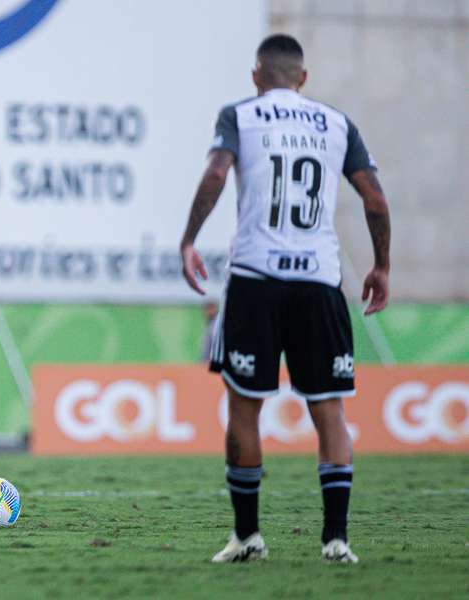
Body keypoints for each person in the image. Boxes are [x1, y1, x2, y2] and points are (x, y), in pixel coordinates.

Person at [179, 34, 390, 563]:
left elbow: (215, 173)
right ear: (303, 78)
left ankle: (248, 537)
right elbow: (375, 198)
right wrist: (382, 265)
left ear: (257, 77)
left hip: (256, 278)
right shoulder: (337, 124)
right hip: (319, 280)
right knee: (329, 410)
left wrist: (188, 239)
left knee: (245, 409)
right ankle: (336, 539)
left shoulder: (241, 115)